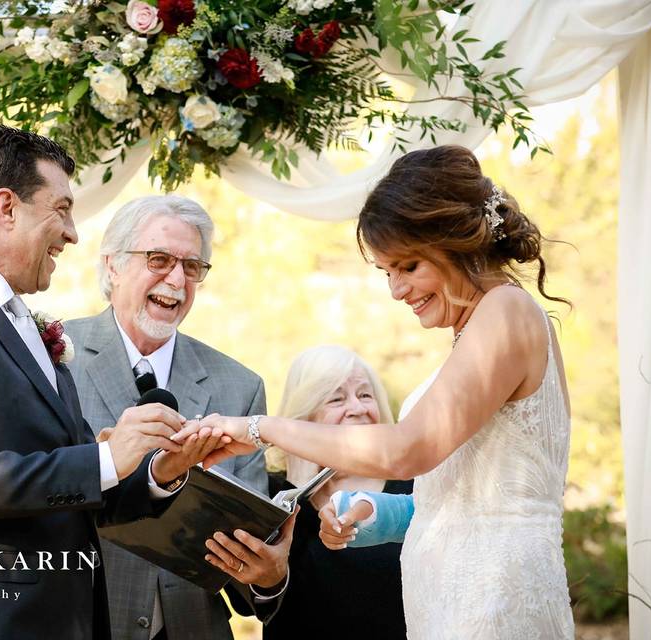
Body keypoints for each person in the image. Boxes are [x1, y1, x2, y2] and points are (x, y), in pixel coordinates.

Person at [181, 145, 576, 638]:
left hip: (493, 596)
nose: (396, 289)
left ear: (455, 243)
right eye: (387, 271)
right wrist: (374, 512)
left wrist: (260, 429)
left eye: (409, 266)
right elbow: (462, 496)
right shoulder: (479, 325)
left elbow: (407, 450)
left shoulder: (505, 312)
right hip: (456, 592)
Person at [0, 126, 221, 640]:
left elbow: (75, 489)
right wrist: (105, 457)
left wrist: (156, 473)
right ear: (6, 207)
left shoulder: (29, 328)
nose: (74, 233)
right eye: (61, 209)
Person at [62, 195, 292, 640]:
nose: (176, 279)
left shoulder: (240, 388)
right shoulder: (53, 357)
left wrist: (267, 579)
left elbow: (245, 568)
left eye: (192, 266)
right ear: (112, 266)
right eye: (159, 259)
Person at [203, 345, 411, 639]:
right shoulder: (270, 490)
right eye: (337, 398)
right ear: (304, 418)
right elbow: (246, 602)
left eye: (365, 394)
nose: (358, 408)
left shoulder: (410, 487)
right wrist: (298, 486)